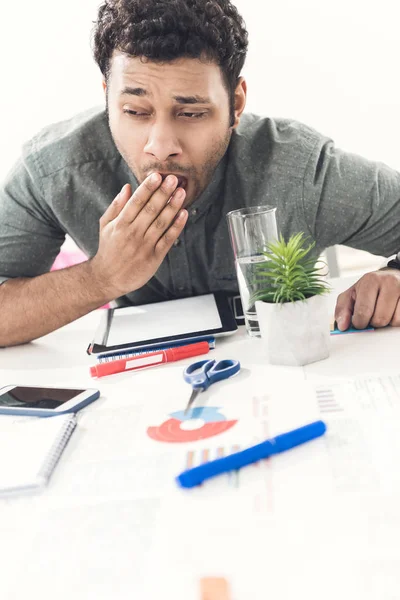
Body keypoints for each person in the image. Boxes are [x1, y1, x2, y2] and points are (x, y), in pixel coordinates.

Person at [1, 0, 400, 347]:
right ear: (107, 97)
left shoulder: (302, 170)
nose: (160, 145)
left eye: (191, 113)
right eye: (135, 112)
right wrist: (101, 278)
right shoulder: (52, 170)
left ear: (236, 104)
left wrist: (394, 278)